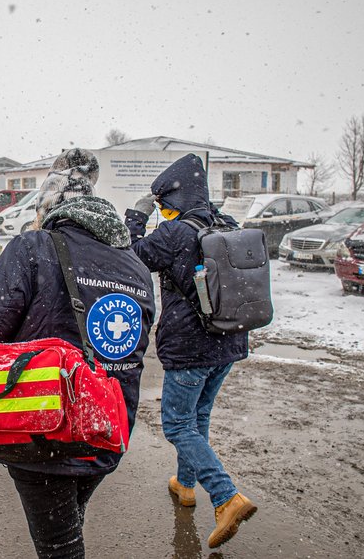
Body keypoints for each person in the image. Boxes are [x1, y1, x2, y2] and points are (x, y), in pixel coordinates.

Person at [0, 149, 156, 559]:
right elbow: (135, 343)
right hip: (107, 425)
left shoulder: (34, 247)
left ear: (50, 207)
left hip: (46, 426)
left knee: (59, 546)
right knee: (69, 517)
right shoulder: (135, 265)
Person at [124, 153, 256, 549]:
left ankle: (225, 496)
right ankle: (185, 485)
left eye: (164, 206)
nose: (163, 213)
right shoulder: (227, 225)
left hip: (191, 346)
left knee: (178, 425)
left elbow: (133, 256)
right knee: (197, 418)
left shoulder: (176, 233)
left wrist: (136, 216)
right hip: (229, 340)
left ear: (174, 202)